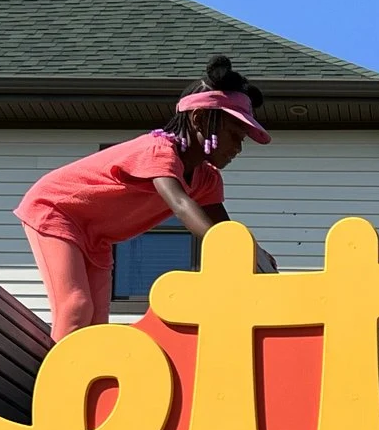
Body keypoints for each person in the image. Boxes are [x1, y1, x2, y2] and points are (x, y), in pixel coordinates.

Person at [15, 55, 280, 338]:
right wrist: (235, 252)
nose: (239, 147)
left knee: (96, 326)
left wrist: (255, 253)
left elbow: (223, 230)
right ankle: (54, 381)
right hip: (56, 210)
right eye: (235, 135)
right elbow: (180, 204)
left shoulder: (207, 179)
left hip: (97, 237)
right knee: (76, 307)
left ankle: (82, 376)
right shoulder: (159, 150)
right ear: (200, 119)